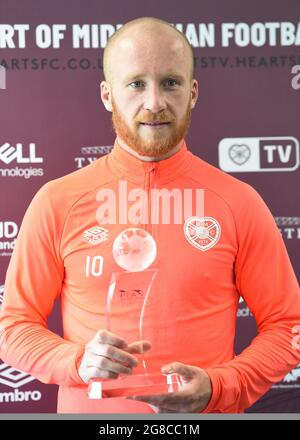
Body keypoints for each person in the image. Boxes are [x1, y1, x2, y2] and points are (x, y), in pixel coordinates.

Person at [0, 16, 300, 414]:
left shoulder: (238, 202)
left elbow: (288, 326)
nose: (155, 102)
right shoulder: (57, 201)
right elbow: (14, 327)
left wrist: (219, 386)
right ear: (108, 95)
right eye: (137, 83)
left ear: (192, 92)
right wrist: (77, 362)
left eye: (171, 83)